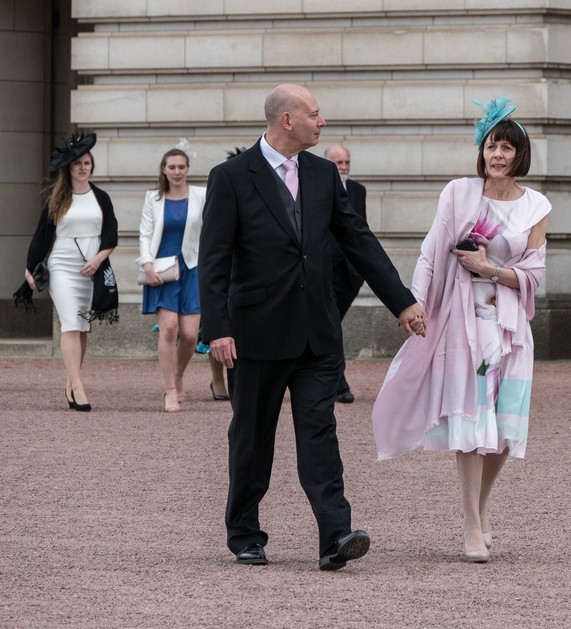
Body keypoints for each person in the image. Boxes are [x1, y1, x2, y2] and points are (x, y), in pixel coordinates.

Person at [198, 84, 427, 571]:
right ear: (287, 120)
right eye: (315, 115)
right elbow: (213, 260)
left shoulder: (324, 174)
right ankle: (245, 533)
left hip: (317, 334)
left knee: (320, 434)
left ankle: (335, 535)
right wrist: (217, 329)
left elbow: (358, 240)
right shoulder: (231, 177)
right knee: (252, 438)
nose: (322, 123)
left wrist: (402, 301)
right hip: (255, 334)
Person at [371, 98, 550, 563]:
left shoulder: (537, 206)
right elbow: (431, 252)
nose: (498, 155)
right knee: (471, 422)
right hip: (464, 324)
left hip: (511, 328)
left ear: (520, 155)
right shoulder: (458, 193)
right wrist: (413, 304)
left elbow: (534, 274)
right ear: (481, 150)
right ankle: (470, 523)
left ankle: (482, 507)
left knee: (506, 428)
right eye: (491, 146)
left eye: (507, 148)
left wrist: (490, 270)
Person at [18, 133, 119, 413]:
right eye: (77, 163)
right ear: (69, 168)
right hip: (62, 266)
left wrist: (98, 260)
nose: (82, 167)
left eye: (87, 163)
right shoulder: (57, 198)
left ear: (92, 166)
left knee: (82, 327)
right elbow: (41, 236)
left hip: (91, 269)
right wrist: (30, 267)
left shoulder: (101, 198)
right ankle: (78, 386)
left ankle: (70, 384)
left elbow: (111, 236)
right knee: (70, 324)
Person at [137, 148, 205, 412]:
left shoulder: (201, 195)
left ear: (187, 169)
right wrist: (147, 264)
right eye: (172, 167)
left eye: (181, 167)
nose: (177, 172)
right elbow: (145, 233)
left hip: (193, 267)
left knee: (189, 334)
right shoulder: (153, 198)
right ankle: (170, 390)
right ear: (164, 170)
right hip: (162, 269)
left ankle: (177, 374)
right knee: (168, 329)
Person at [323, 144, 367, 403]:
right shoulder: (318, 187)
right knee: (331, 324)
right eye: (339, 162)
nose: (344, 167)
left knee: (331, 324)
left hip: (350, 273)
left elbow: (361, 230)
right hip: (325, 270)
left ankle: (328, 379)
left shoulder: (358, 190)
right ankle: (339, 384)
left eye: (346, 162)